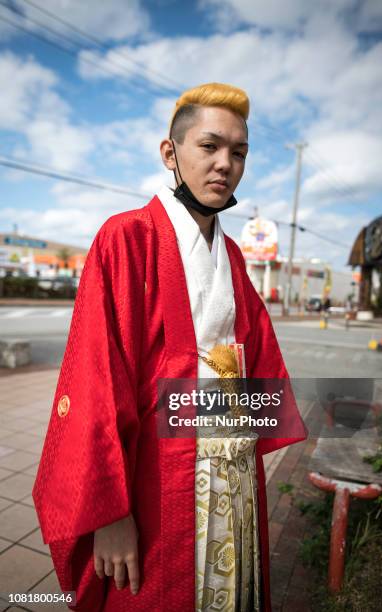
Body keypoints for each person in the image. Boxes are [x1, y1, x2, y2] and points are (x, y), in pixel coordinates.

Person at [32, 82, 306, 611]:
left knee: (232, 589)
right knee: (157, 592)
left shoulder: (231, 253)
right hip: (156, 473)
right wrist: (109, 513)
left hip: (233, 469)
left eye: (239, 151)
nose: (225, 164)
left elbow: (256, 364)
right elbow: (95, 378)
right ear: (170, 152)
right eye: (209, 146)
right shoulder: (126, 237)